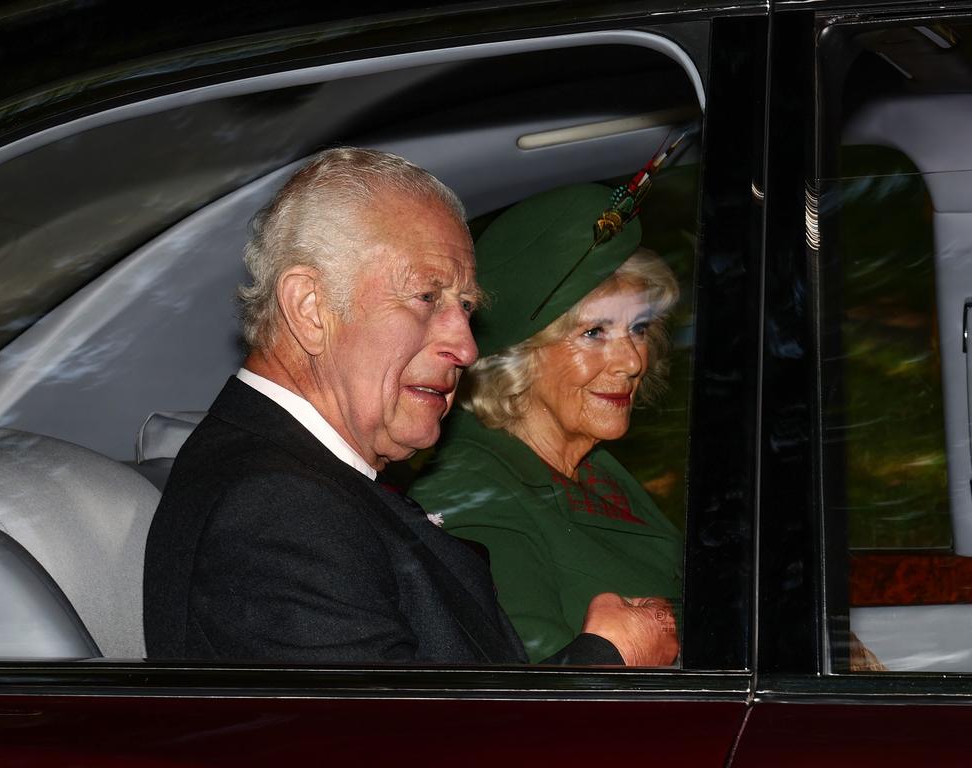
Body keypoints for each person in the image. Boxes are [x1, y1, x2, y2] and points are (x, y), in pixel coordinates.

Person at [143, 147, 677, 665]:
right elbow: (399, 748)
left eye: (466, 308)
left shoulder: (310, 485)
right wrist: (608, 662)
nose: (467, 347)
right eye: (426, 297)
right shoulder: (275, 510)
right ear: (310, 308)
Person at [410, 183, 684, 663]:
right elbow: (532, 704)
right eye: (594, 332)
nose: (632, 361)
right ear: (519, 357)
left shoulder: (591, 467)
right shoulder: (471, 494)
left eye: (638, 328)